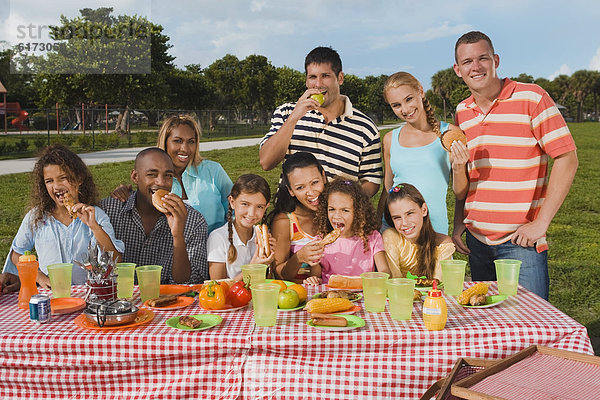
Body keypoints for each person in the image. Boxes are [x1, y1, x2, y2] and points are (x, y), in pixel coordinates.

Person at [451, 31, 578, 299]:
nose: (476, 67)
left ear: (495, 60)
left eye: (482, 58)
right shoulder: (462, 112)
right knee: (489, 328)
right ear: (457, 70)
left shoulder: (532, 98)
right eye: (467, 62)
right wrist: (459, 220)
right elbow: (467, 173)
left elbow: (567, 158)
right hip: (477, 242)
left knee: (532, 327)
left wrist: (541, 223)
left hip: (521, 242)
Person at [259, 46, 382, 197]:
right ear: (306, 80)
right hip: (293, 216)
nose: (318, 84)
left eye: (325, 76)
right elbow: (266, 162)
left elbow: (372, 180)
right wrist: (294, 118)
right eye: (312, 77)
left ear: (340, 78)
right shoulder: (286, 113)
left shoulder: (366, 128)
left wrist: (345, 202)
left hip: (336, 218)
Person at [2, 144, 124, 287]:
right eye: (49, 181)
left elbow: (116, 260)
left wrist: (94, 227)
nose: (56, 186)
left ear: (79, 178)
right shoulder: (36, 217)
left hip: (87, 294)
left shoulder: (96, 215)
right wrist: (38, 276)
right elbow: (17, 254)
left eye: (63, 178)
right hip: (52, 295)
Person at [100, 147, 209, 284]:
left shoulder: (193, 220)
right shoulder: (109, 210)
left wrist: (178, 236)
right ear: (135, 177)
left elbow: (190, 283)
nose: (161, 182)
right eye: (152, 174)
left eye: (168, 175)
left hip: (166, 302)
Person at [380, 72, 469, 234]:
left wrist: (458, 167)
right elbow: (388, 189)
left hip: (434, 230)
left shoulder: (449, 134)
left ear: (420, 91)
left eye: (409, 99)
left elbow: (460, 193)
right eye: (396, 105)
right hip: (396, 229)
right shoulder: (390, 139)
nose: (405, 109)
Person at [112, 115, 232, 233]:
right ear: (165, 142)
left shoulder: (213, 171)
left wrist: (227, 240)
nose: (185, 148)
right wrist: (124, 193)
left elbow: (236, 207)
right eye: (177, 141)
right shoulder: (157, 182)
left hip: (218, 248)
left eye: (191, 142)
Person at [305, 177, 390, 286]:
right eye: (332, 209)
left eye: (345, 210)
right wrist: (313, 277)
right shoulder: (321, 241)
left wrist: (378, 279)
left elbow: (384, 270)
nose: (336, 216)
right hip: (332, 295)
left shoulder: (372, 237)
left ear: (359, 212)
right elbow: (316, 276)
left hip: (363, 294)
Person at [266, 152, 327, 282]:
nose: (310, 192)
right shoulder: (284, 222)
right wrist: (299, 257)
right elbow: (278, 273)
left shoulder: (334, 213)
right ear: (291, 191)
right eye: (300, 187)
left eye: (315, 182)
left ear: (324, 177)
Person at [207, 174, 275, 281]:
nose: (251, 213)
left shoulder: (262, 238)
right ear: (232, 202)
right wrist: (252, 267)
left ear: (266, 207)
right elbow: (218, 288)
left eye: (259, 207)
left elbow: (266, 281)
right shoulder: (218, 238)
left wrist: (269, 261)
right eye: (245, 204)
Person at [382, 183, 455, 281]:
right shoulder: (391, 237)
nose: (405, 223)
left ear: (424, 210)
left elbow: (438, 284)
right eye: (397, 218)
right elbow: (394, 281)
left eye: (410, 213)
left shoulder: (442, 244)